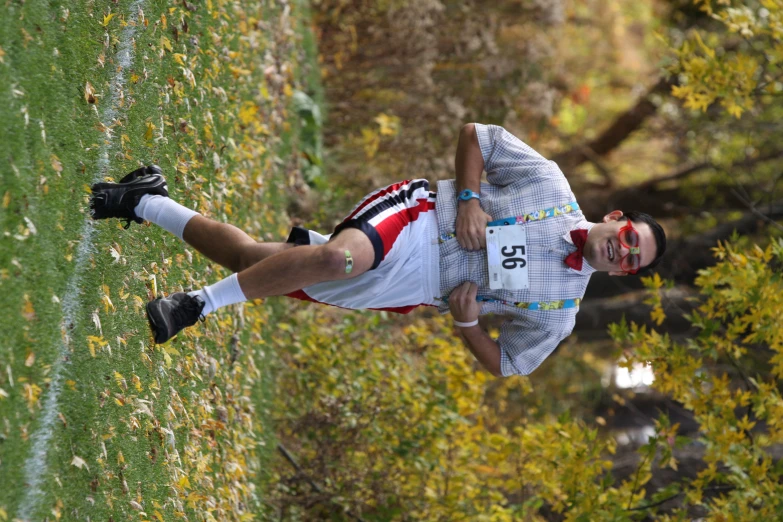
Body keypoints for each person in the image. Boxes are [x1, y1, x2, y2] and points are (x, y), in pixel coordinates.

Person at [90, 123, 666, 377]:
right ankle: (197, 305)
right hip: (416, 220)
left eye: (632, 260)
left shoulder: (559, 313)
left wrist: (468, 326)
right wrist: (469, 198)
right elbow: (476, 135)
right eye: (628, 240)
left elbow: (508, 364)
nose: (623, 253)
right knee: (339, 257)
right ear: (615, 220)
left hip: (413, 289)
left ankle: (145, 201)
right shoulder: (551, 185)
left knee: (252, 263)